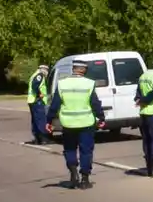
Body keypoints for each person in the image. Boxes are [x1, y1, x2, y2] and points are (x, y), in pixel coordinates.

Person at [46, 59, 105, 189]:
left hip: (68, 124)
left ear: (73, 69)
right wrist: (101, 118)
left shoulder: (62, 84)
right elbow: (95, 103)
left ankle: (73, 173)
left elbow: (55, 105)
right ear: (83, 70)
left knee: (70, 149)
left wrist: (49, 121)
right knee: (86, 150)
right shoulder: (89, 83)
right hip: (86, 123)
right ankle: (84, 179)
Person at [26, 64, 52, 145]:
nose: (47, 72)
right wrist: (39, 94)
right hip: (37, 101)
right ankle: (43, 139)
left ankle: (37, 138)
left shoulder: (35, 75)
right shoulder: (39, 75)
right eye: (46, 70)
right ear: (43, 69)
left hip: (32, 101)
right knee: (41, 120)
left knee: (35, 120)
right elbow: (35, 85)